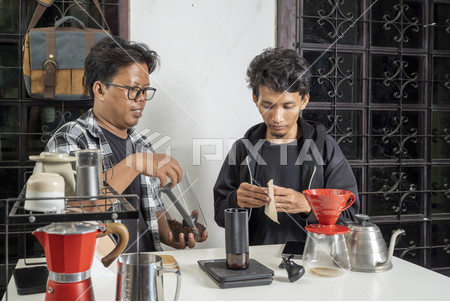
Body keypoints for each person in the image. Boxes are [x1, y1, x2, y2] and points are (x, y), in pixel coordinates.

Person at [45, 36, 207, 252]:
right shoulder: (70, 139)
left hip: (146, 269)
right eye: (133, 90)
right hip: (105, 273)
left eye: (145, 91)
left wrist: (174, 232)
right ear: (100, 90)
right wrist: (135, 164)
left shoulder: (142, 144)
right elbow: (76, 214)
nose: (141, 99)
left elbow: (152, 212)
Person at [213, 48, 359, 245]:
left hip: (312, 262)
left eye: (287, 106)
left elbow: (350, 217)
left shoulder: (325, 149)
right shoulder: (243, 149)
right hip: (255, 265)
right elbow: (219, 213)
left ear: (304, 100)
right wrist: (235, 201)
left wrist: (309, 206)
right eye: (268, 105)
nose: (277, 118)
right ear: (255, 99)